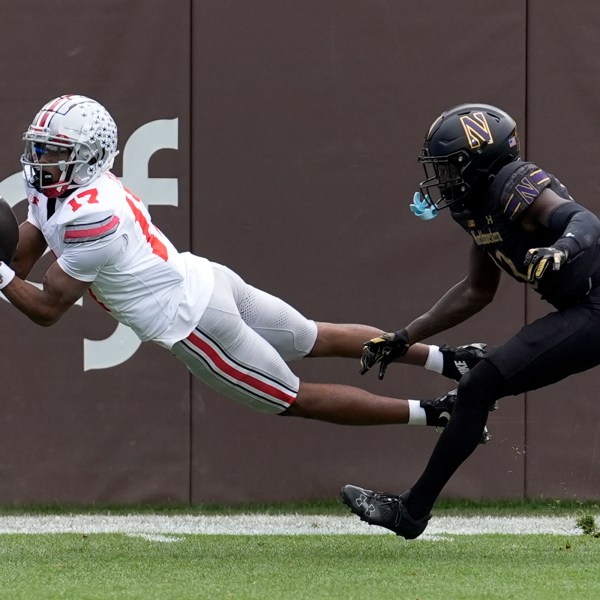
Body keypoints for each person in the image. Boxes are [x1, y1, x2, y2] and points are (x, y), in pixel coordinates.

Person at [2, 94, 484, 434]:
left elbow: (47, 307)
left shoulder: (92, 214)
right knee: (317, 337)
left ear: (91, 157)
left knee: (297, 399)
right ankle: (450, 360)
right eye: (38, 147)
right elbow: (25, 252)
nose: (38, 159)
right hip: (206, 280)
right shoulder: (65, 191)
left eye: (52, 151)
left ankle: (438, 413)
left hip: (194, 324)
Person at [341, 102, 600, 539]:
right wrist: (407, 335)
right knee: (480, 382)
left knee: (479, 383)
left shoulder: (513, 182)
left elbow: (583, 218)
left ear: (476, 162)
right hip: (584, 309)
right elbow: (477, 291)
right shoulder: (477, 207)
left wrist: (563, 248)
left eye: (448, 168)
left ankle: (412, 511)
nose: (440, 180)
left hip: (594, 306)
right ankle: (413, 509)